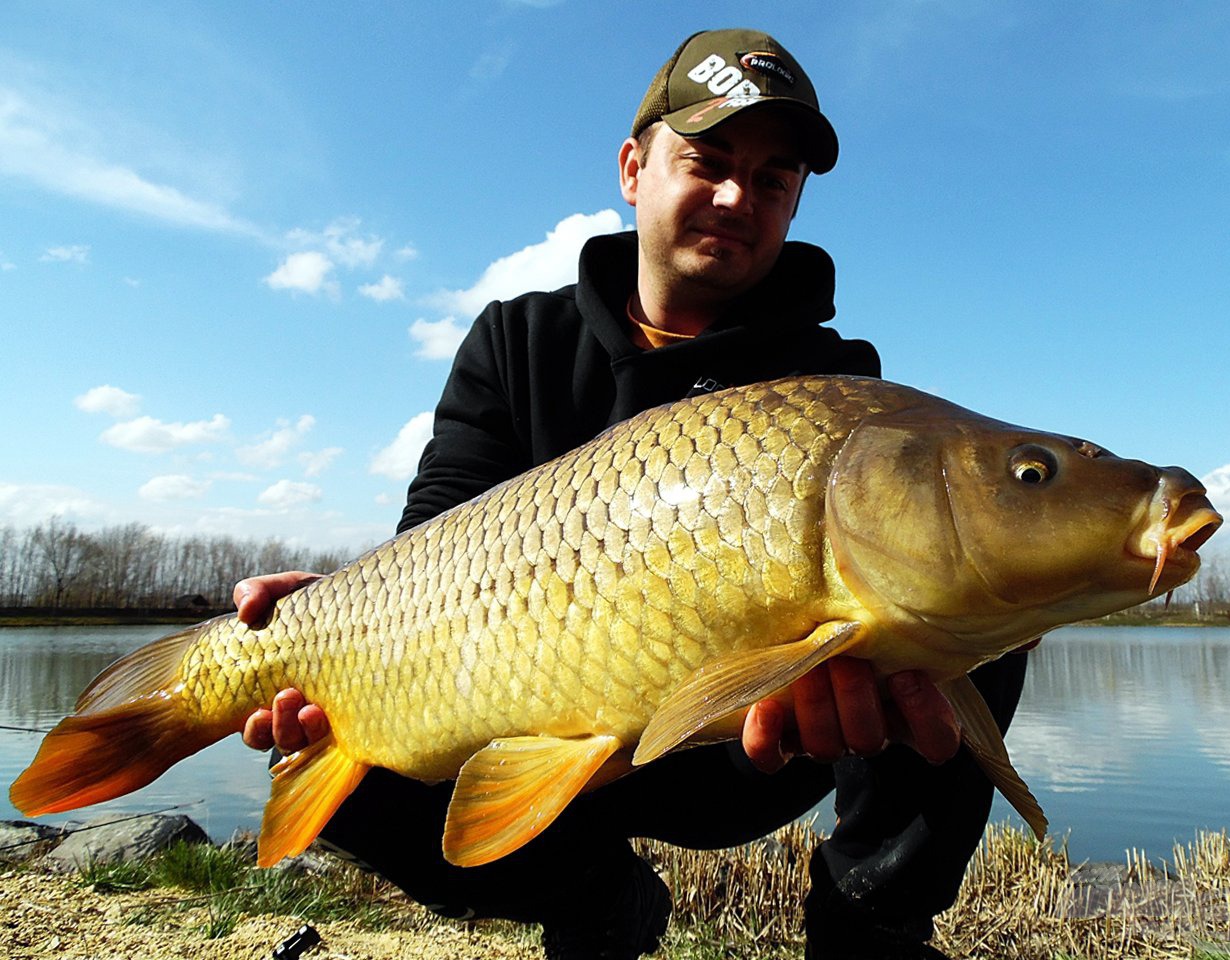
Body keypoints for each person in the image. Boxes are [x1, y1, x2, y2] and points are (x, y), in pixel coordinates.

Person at [235, 29, 1028, 960]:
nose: (739, 197)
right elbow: (434, 538)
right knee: (348, 758)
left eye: (773, 180)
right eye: (710, 160)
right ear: (633, 167)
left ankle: (868, 928)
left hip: (742, 747)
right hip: (521, 721)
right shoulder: (516, 341)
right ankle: (593, 899)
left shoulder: (831, 380)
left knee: (976, 594)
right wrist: (330, 618)